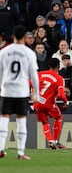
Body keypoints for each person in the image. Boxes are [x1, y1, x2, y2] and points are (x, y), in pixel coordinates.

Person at [0, 25, 40, 160]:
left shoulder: (4, 51)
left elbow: (0, 73)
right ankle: (21, 152)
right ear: (24, 37)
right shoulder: (29, 53)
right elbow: (34, 75)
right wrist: (36, 93)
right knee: (21, 121)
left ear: (12, 36)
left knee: (4, 119)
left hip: (6, 91)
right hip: (22, 91)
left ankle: (0, 148)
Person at [33, 58, 68, 150]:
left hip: (37, 102)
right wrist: (66, 101)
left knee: (45, 122)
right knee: (58, 118)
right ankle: (55, 141)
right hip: (49, 103)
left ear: (49, 66)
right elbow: (61, 94)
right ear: (59, 67)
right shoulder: (59, 78)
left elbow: (29, 84)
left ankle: (50, 141)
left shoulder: (39, 74)